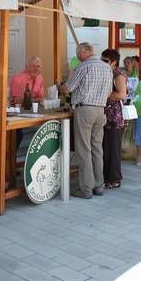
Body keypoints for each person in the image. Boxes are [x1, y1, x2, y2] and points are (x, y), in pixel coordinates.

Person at [59, 43, 113, 199]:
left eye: (78, 53)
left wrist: (59, 86)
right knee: (97, 148)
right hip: (100, 110)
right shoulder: (106, 67)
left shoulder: (84, 66)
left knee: (84, 150)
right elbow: (109, 91)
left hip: (85, 110)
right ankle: (99, 185)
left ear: (85, 52)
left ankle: (86, 189)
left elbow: (68, 88)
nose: (77, 56)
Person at [100, 49, 127, 189]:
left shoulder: (118, 74)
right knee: (105, 147)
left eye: (105, 61)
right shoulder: (106, 72)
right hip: (103, 114)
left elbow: (122, 95)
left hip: (113, 115)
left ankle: (114, 179)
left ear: (114, 62)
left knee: (113, 148)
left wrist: (104, 94)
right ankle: (105, 177)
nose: (102, 63)